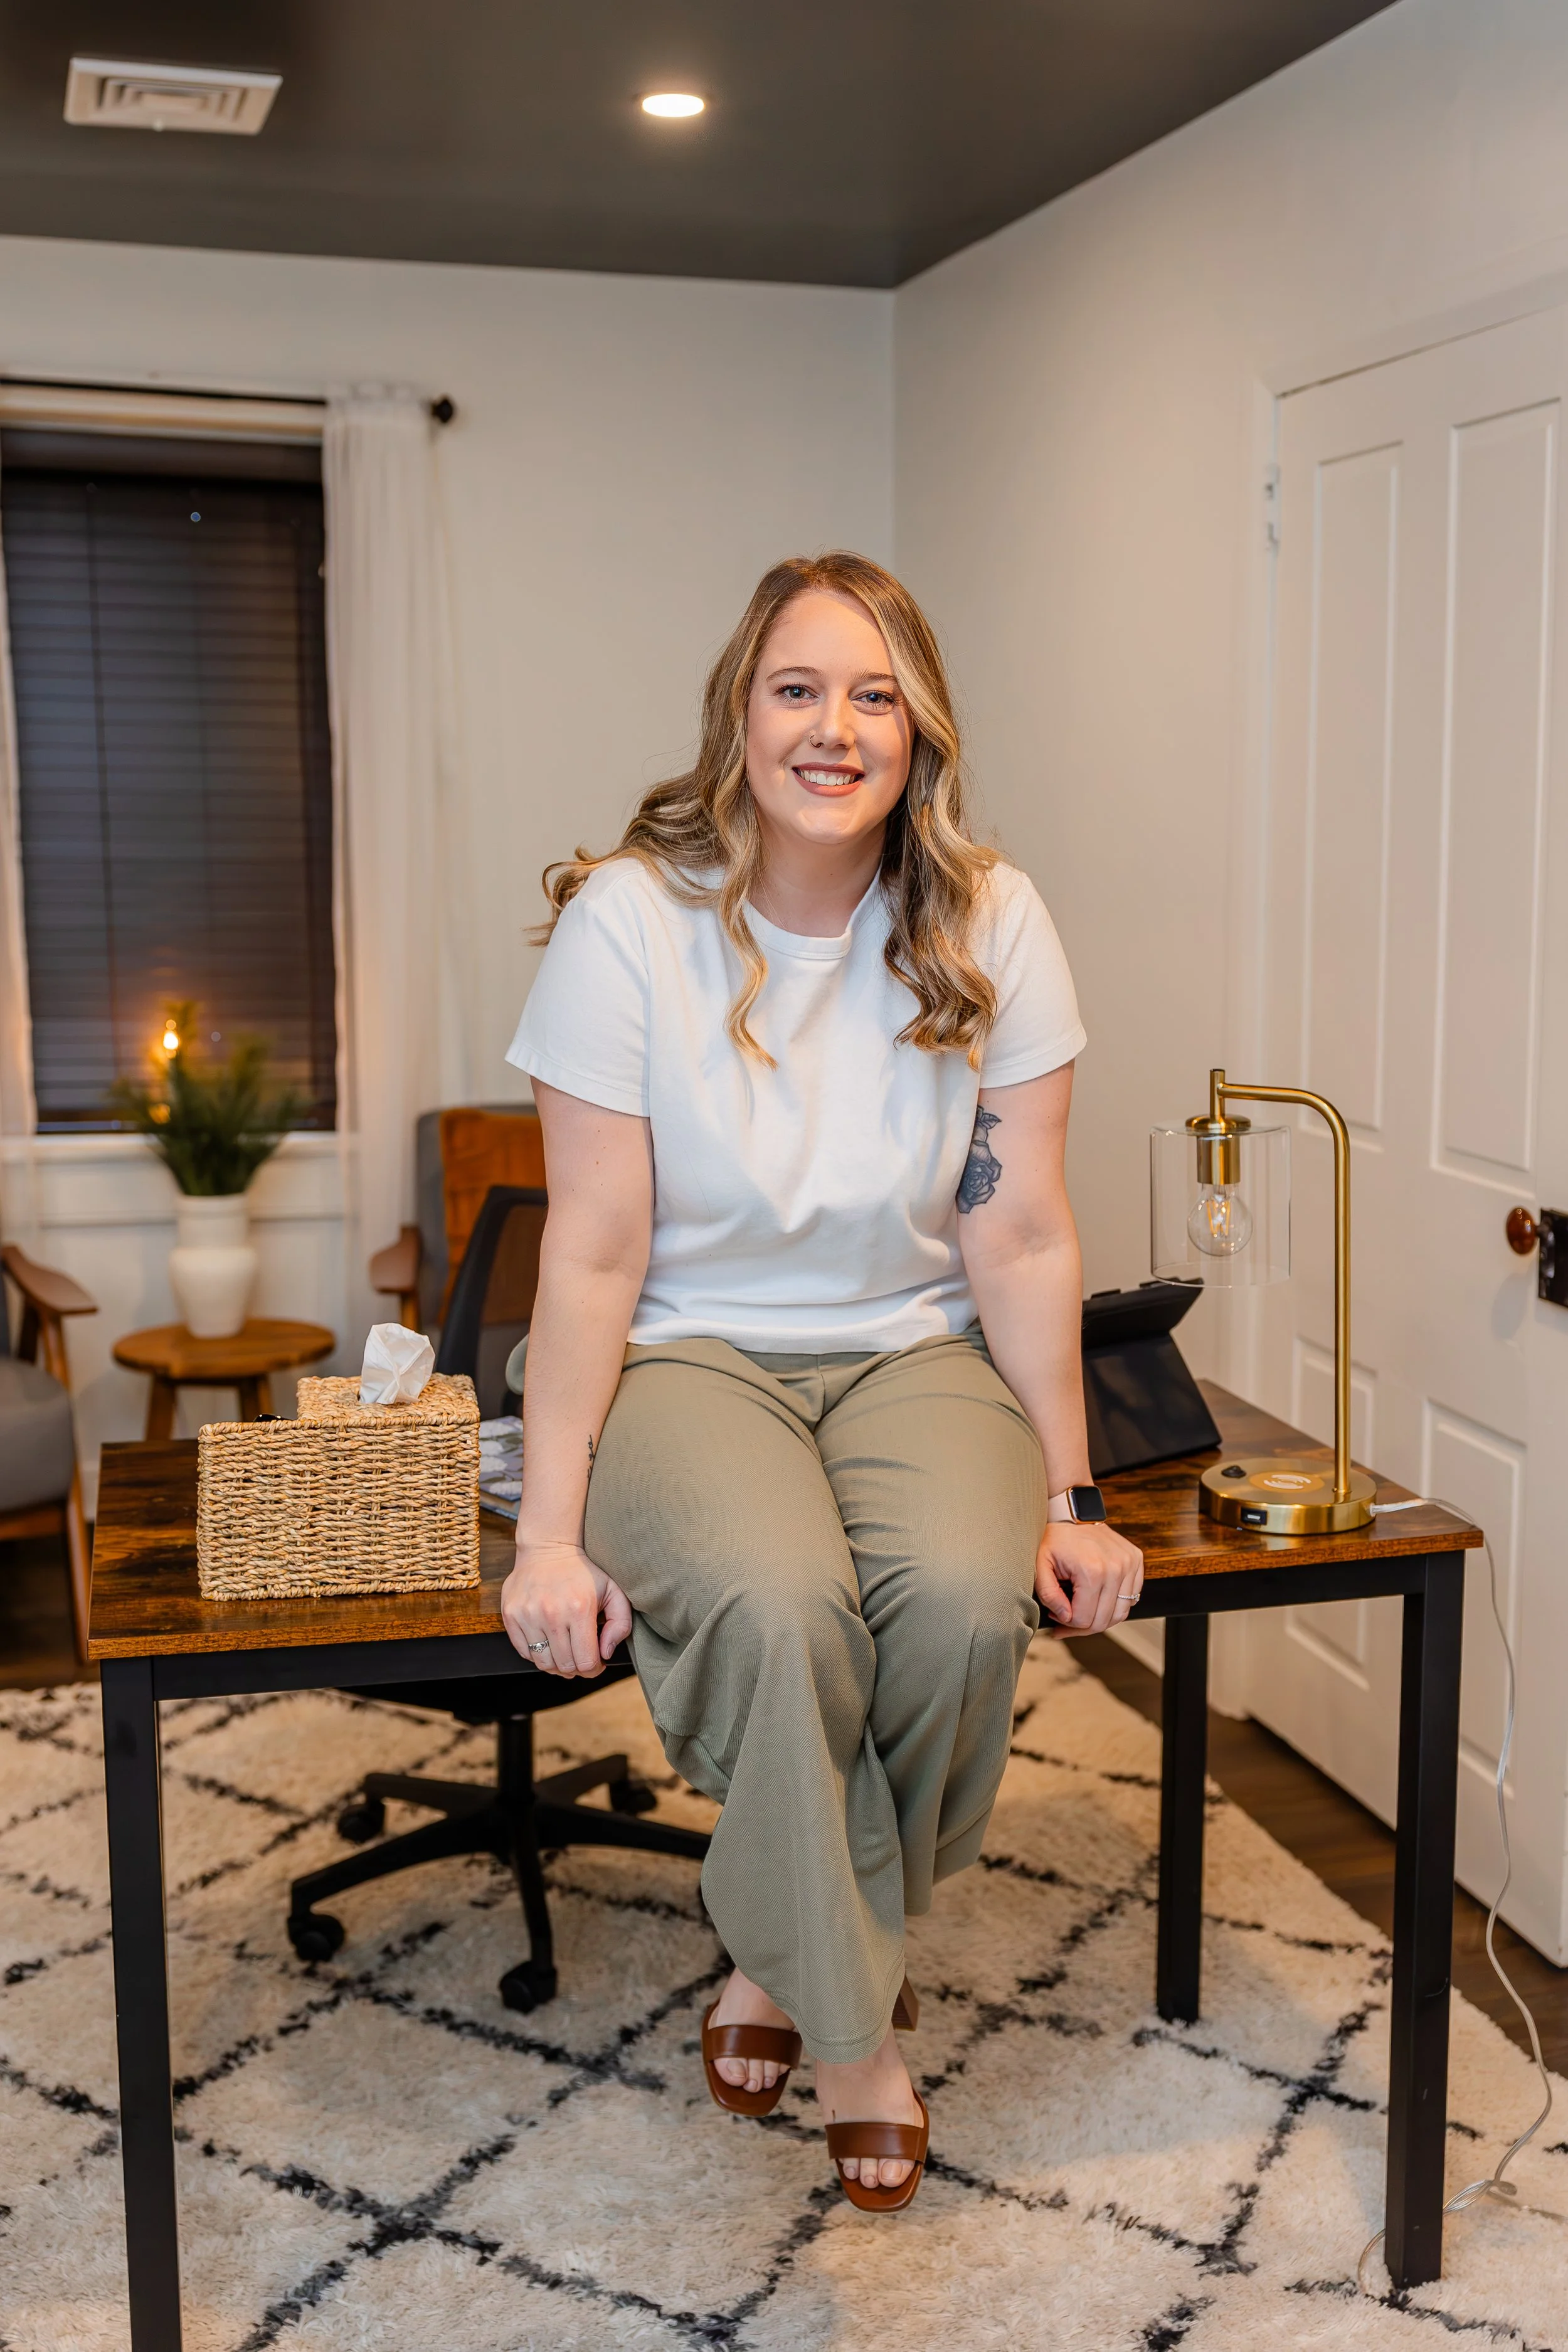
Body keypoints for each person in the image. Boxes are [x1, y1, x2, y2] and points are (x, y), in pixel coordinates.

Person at [499, 551, 1143, 2212]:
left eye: (875, 695)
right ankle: (861, 2034)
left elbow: (1018, 1233)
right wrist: (547, 1537)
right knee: (779, 1604)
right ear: (738, 710)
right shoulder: (628, 917)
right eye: (798, 687)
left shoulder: (991, 918)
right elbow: (589, 1250)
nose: (834, 727)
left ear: (919, 733)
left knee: (949, 1597)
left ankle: (778, 1957)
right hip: (683, 1346)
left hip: (907, 1346)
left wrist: (1075, 1494)